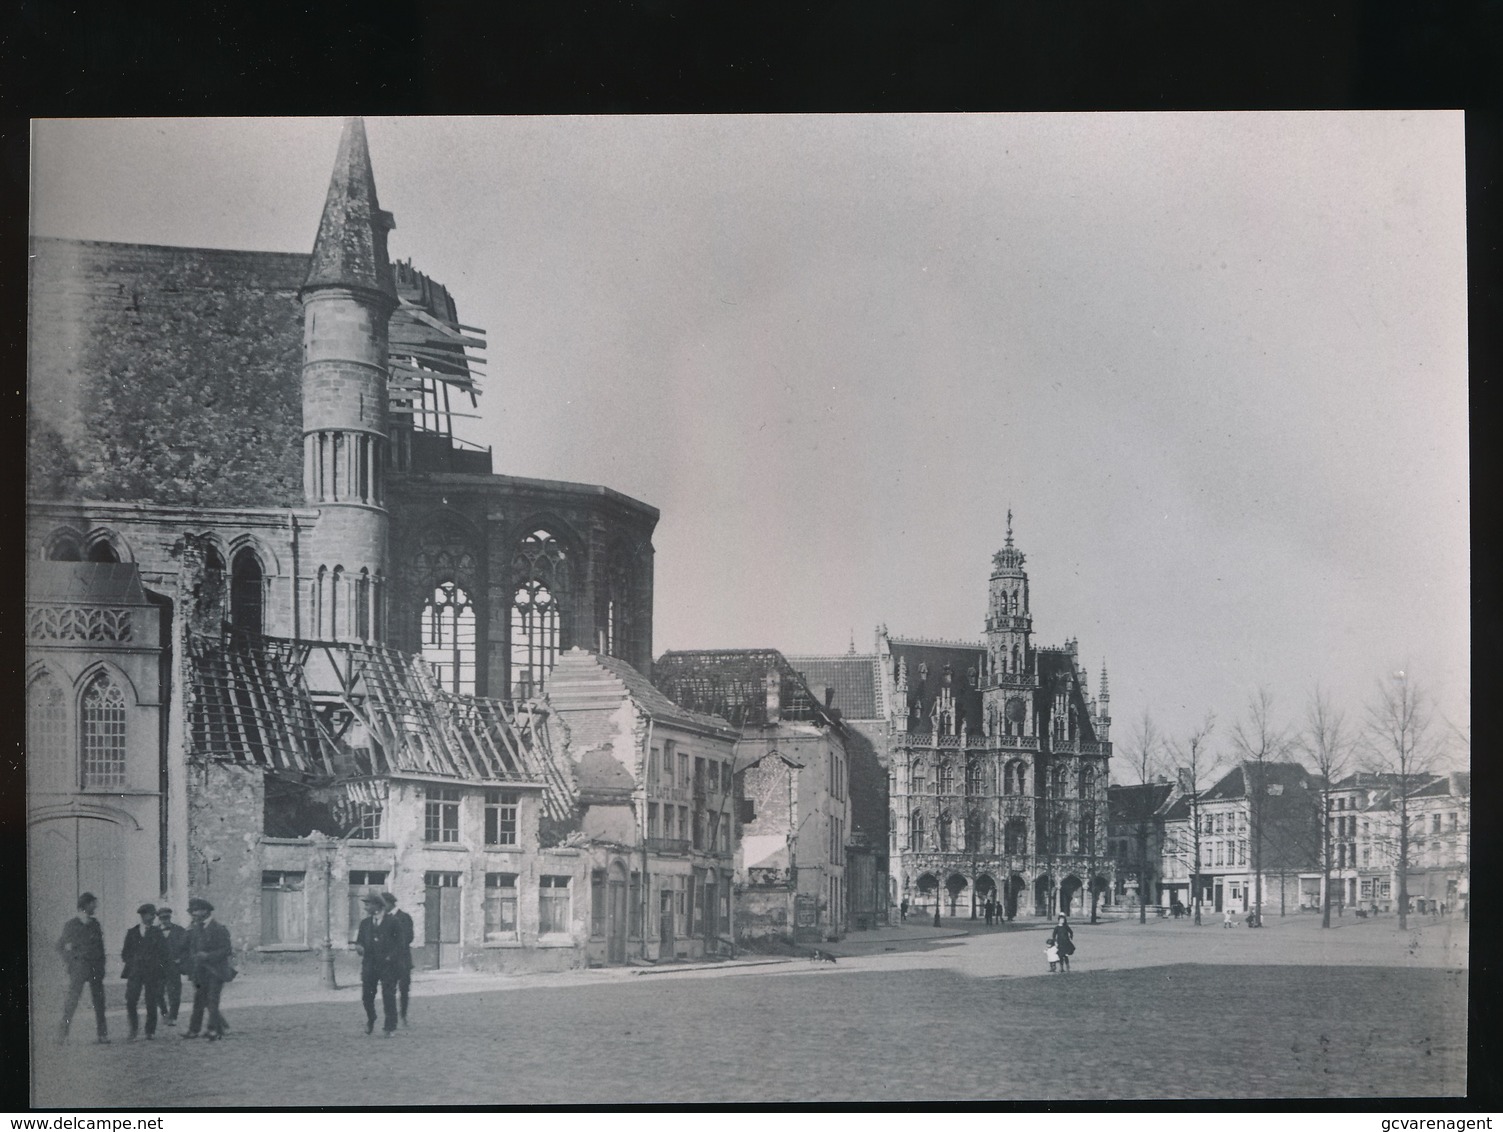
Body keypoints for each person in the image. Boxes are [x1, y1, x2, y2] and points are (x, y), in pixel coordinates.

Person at [58, 892, 109, 1044]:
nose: (95, 906)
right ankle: (63, 1035)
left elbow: (101, 947)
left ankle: (102, 1035)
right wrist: (72, 962)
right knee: (72, 1001)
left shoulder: (95, 924)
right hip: (79, 969)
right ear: (85, 905)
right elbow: (60, 946)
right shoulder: (71, 925)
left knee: (99, 1002)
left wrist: (102, 966)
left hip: (95, 969)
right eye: (93, 903)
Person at [183, 897, 233, 1041]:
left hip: (216, 971)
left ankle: (213, 1030)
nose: (193, 914)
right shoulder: (195, 928)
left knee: (212, 1000)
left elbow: (226, 950)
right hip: (200, 971)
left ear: (205, 911)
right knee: (199, 1001)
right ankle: (193, 1030)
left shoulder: (219, 928)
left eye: (196, 911)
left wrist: (208, 956)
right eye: (192, 911)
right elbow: (190, 947)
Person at [355, 892, 402, 1036]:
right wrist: (359, 948)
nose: (365, 907)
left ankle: (390, 1027)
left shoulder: (393, 922)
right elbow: (359, 942)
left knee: (388, 996)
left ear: (377, 905)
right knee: (366, 997)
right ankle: (371, 1018)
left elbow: (401, 944)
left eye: (368, 904)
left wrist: (390, 957)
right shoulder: (365, 924)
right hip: (370, 965)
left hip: (388, 966)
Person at [121, 902, 168, 1041]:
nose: (153, 917)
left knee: (151, 1001)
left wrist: (157, 966)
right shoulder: (132, 932)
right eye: (151, 914)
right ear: (143, 915)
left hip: (152, 973)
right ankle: (134, 1029)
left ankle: (150, 1031)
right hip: (135, 973)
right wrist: (134, 962)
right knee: (130, 1000)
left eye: (154, 915)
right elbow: (125, 954)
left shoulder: (157, 932)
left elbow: (164, 953)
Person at [381, 892, 415, 1027]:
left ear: (390, 903)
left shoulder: (404, 917)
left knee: (404, 989)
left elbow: (409, 937)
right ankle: (391, 1017)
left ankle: (403, 1015)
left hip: (403, 960)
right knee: (389, 989)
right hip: (388, 961)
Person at [154, 906, 190, 1026]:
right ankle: (164, 1013)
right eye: (162, 918)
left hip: (173, 966)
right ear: (159, 918)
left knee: (174, 992)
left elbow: (187, 948)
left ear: (170, 917)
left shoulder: (179, 930)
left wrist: (181, 959)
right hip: (158, 967)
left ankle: (173, 1016)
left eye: (167, 917)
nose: (165, 920)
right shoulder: (154, 931)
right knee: (157, 992)